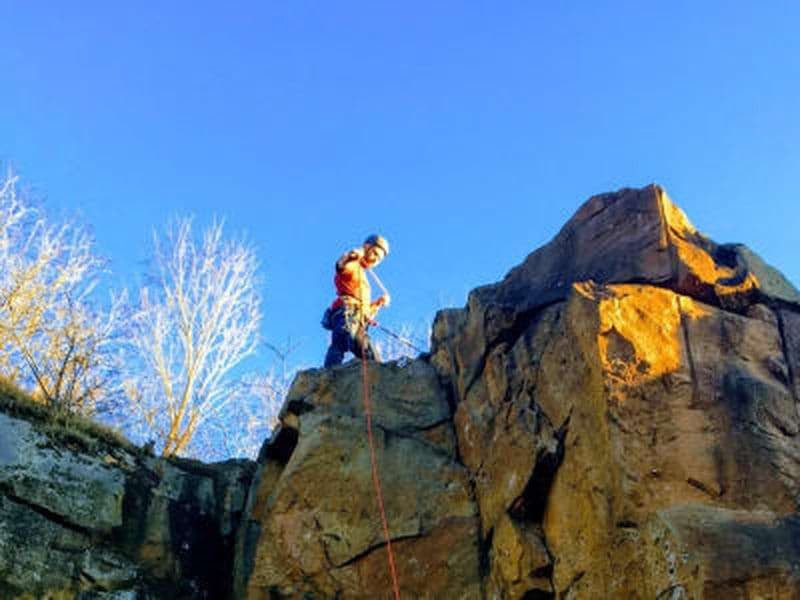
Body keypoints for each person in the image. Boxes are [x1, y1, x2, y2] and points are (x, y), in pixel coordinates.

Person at [323, 234, 391, 367]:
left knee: (343, 345)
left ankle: (330, 372)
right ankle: (330, 373)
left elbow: (365, 313)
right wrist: (352, 255)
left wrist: (379, 303)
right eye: (375, 253)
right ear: (367, 247)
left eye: (379, 259)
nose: (376, 260)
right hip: (347, 312)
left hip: (355, 317)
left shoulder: (362, 278)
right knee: (349, 343)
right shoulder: (354, 266)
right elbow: (341, 266)